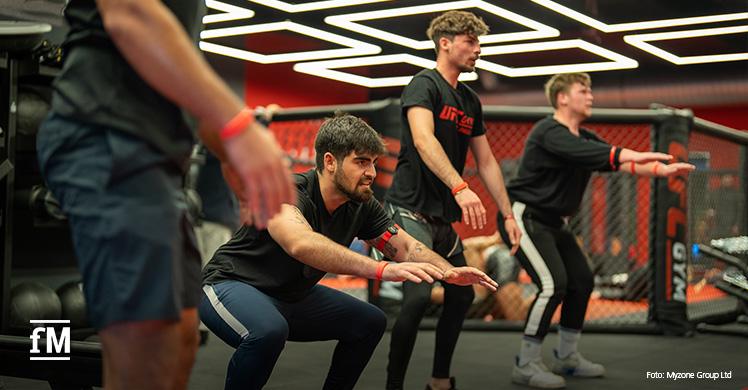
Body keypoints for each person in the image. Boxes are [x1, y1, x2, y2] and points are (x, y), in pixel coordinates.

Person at [35, 2, 295, 390]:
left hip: (155, 160)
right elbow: (131, 14)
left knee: (180, 339)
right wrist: (238, 127)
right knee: (148, 351)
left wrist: (228, 151)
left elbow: (175, 71)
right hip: (110, 137)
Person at [199, 113, 497, 390]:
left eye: (373, 163)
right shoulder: (287, 191)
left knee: (369, 321)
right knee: (268, 331)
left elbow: (405, 246)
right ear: (330, 161)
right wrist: (380, 269)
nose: (371, 172)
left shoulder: (361, 205)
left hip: (290, 297)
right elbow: (300, 243)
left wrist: (447, 271)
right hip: (230, 286)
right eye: (361, 162)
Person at [497, 72, 695, 388]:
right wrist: (641, 155)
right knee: (552, 285)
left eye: (590, 91)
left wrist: (663, 169)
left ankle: (566, 356)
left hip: (555, 223)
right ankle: (526, 362)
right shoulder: (548, 132)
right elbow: (611, 156)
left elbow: (620, 163)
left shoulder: (585, 137)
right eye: (583, 91)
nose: (590, 96)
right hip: (525, 216)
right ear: (562, 98)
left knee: (582, 281)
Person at [382, 10, 522, 390]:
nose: (478, 50)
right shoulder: (422, 85)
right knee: (415, 300)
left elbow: (488, 161)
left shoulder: (469, 100)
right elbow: (424, 140)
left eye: (478, 43)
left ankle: (439, 380)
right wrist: (460, 187)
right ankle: (393, 384)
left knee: (461, 297)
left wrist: (507, 214)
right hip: (407, 211)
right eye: (470, 41)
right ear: (445, 42)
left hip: (441, 221)